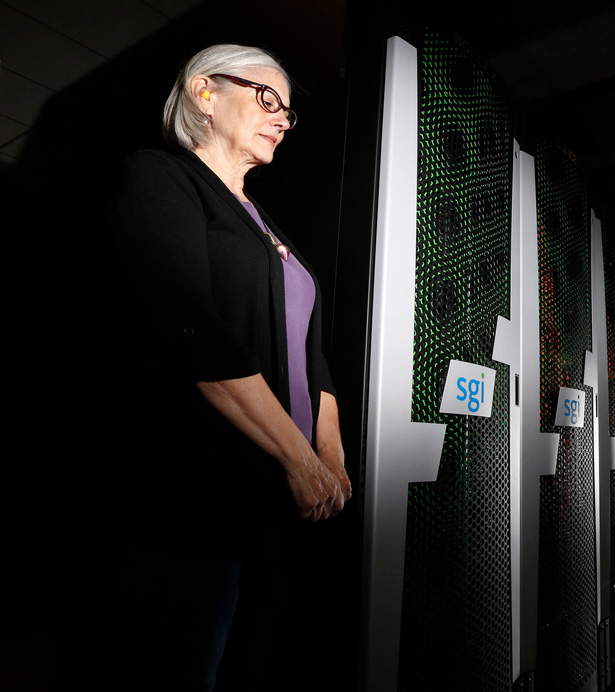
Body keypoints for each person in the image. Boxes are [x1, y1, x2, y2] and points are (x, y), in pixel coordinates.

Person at [108, 44, 350, 689]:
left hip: (280, 501)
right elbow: (196, 332)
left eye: (289, 112)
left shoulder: (269, 226)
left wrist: (330, 460)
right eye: (269, 97)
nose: (282, 117)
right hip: (196, 498)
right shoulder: (161, 177)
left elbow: (313, 358)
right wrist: (300, 462)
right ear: (202, 91)